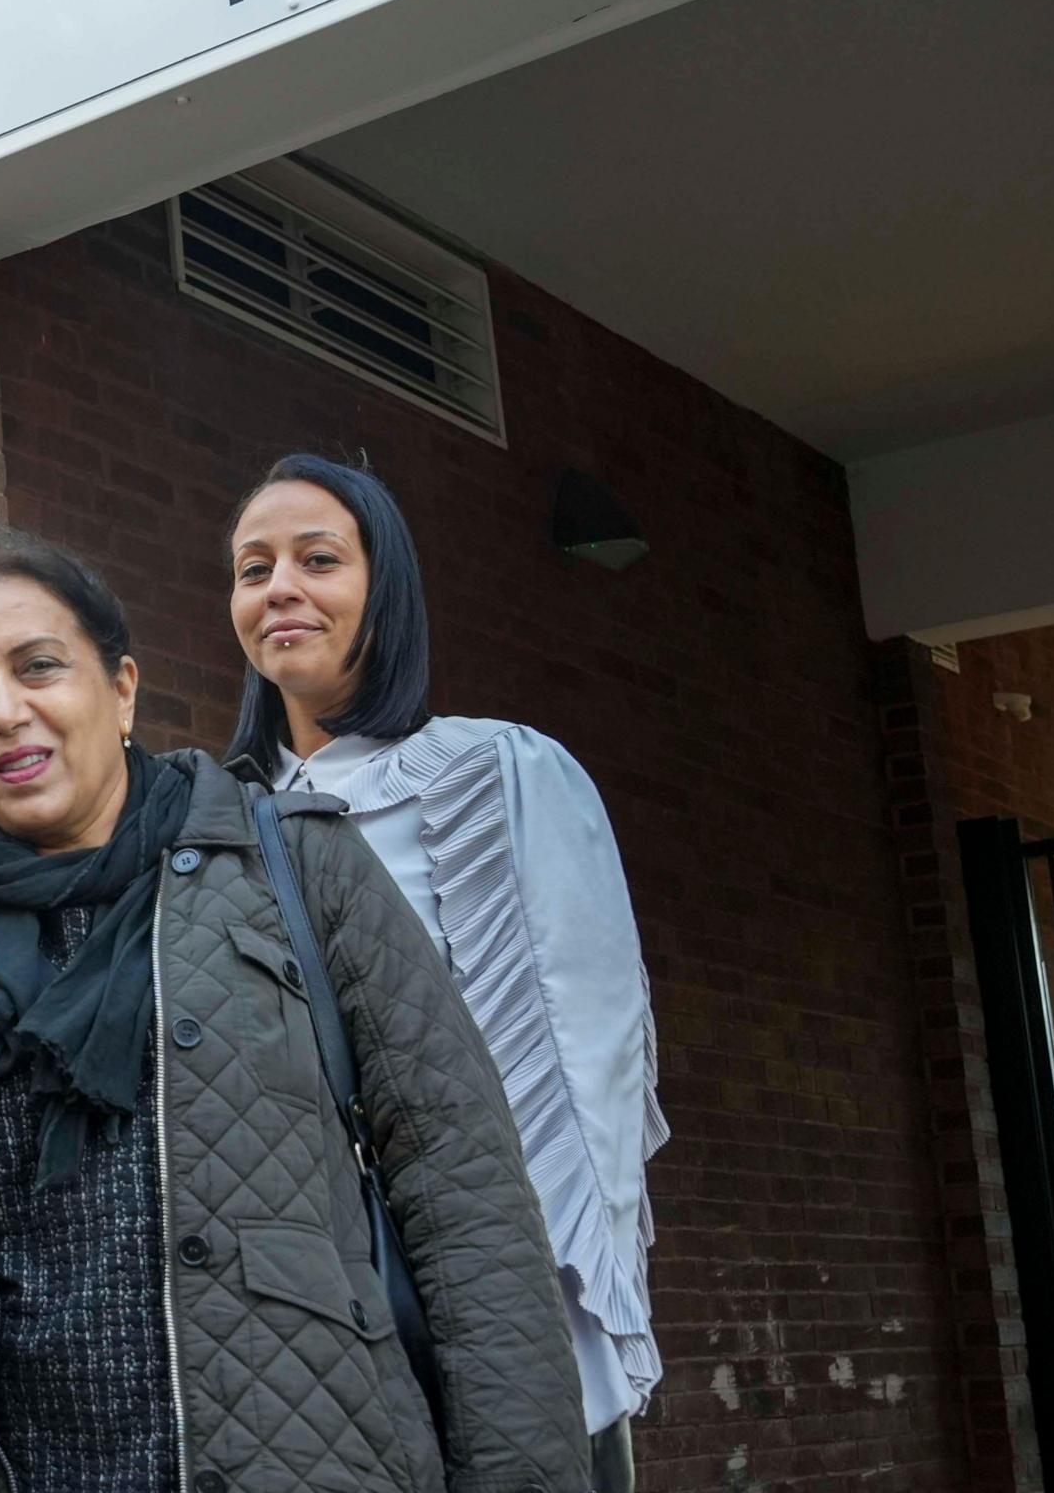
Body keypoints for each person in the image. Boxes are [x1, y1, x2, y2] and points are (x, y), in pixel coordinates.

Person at [0, 528, 589, 1493]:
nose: (3, 710)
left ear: (122, 687)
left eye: (39, 667)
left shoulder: (297, 867)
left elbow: (468, 1203)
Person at [225, 454, 668, 1493]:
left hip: (494, 1309)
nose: (279, 586)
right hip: (305, 1330)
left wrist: (531, 1319)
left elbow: (586, 1065)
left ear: (388, 591)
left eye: (318, 559)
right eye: (253, 568)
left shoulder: (501, 773)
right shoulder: (215, 822)